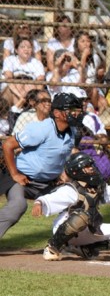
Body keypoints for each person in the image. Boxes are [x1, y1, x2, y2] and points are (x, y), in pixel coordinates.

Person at [0, 92, 84, 239]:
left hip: (47, 183)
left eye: (78, 110)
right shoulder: (41, 129)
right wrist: (14, 174)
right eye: (71, 110)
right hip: (22, 178)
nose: (76, 114)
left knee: (77, 202)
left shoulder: (73, 133)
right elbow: (8, 145)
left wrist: (61, 174)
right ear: (57, 113)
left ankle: (71, 243)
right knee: (18, 206)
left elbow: (61, 156)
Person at [1, 37, 45, 107]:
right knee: (17, 86)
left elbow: (40, 81)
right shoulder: (10, 59)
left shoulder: (37, 63)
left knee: (29, 86)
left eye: (29, 47)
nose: (26, 49)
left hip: (30, 88)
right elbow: (9, 79)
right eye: (22, 47)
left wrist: (35, 95)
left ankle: (18, 110)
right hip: (13, 87)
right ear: (16, 50)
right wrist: (20, 95)